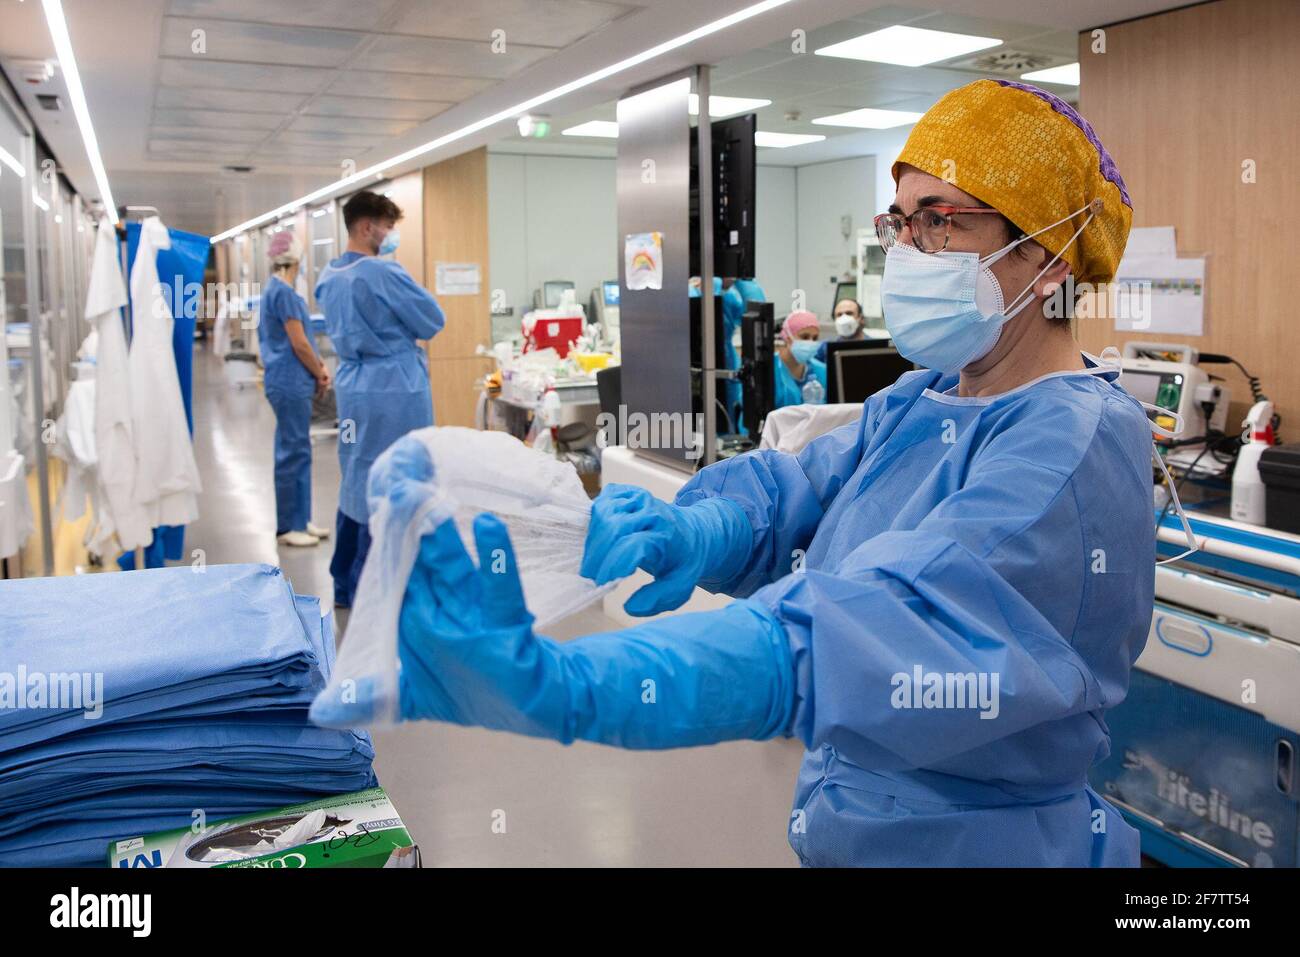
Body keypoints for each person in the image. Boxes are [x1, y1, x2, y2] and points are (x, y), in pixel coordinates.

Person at [370, 80, 1167, 867]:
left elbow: (883, 632)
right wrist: (696, 526)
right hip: (853, 822)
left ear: (1053, 257)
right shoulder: (922, 399)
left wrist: (578, 683)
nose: (909, 249)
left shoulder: (1075, 445)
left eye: (941, 221)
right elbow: (801, 494)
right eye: (902, 221)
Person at [315, 191, 445, 608]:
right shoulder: (382, 273)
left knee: (357, 476)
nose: (391, 236)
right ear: (368, 226)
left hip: (353, 385)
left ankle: (345, 582)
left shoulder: (329, 275)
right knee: (396, 474)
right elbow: (432, 320)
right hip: (394, 387)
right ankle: (378, 588)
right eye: (388, 227)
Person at [257, 232, 331, 547]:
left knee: (299, 449)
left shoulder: (276, 290)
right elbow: (299, 342)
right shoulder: (284, 293)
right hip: (289, 381)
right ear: (297, 260)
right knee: (292, 452)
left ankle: (301, 519)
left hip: (289, 380)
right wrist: (320, 370)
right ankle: (289, 527)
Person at [774, 310, 826, 408]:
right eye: (805, 337)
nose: (810, 342)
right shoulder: (769, 370)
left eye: (815, 338)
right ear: (787, 338)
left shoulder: (822, 371)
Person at [813, 297, 866, 363]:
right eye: (839, 315)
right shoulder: (824, 348)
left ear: (861, 318)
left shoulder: (875, 346)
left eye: (849, 313)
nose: (844, 318)